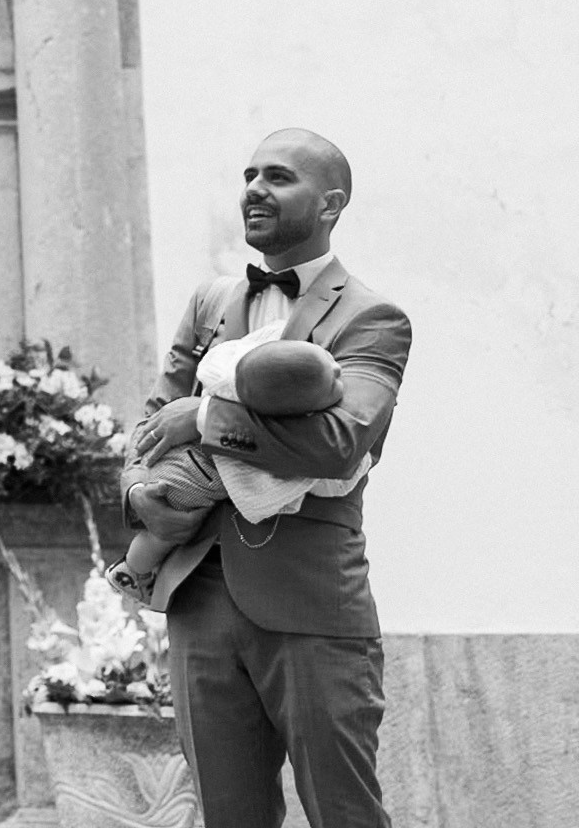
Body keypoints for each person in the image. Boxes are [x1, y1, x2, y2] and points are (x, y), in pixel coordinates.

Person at [121, 128, 412, 828]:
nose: (254, 188)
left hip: (310, 603)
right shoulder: (209, 302)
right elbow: (149, 424)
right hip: (198, 595)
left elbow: (340, 444)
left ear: (331, 201)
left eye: (279, 177)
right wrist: (136, 495)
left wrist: (209, 421)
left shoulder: (373, 318)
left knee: (345, 813)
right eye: (250, 174)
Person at [106, 327, 369, 604]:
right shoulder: (267, 442)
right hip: (189, 481)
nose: (338, 371)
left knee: (164, 532)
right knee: (162, 535)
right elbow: (286, 491)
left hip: (176, 458)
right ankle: (132, 570)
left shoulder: (229, 374)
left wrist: (203, 414)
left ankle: (134, 568)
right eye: (330, 385)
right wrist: (135, 489)